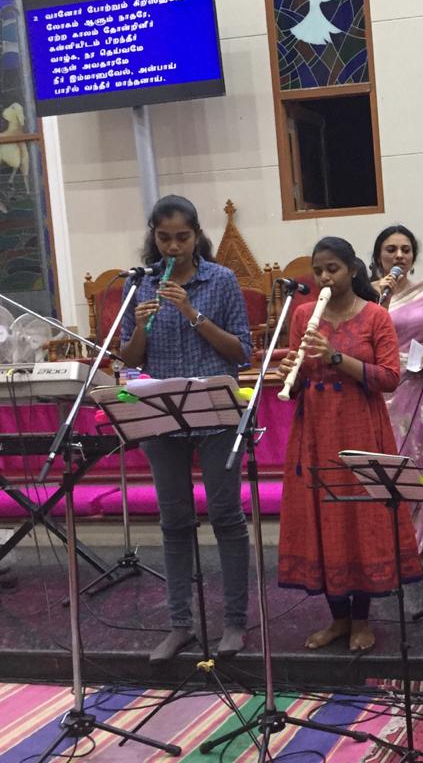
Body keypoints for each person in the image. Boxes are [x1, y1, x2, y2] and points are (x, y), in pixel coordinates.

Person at [120, 195, 252, 664]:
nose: (173, 247)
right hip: (162, 418)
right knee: (174, 522)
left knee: (226, 516)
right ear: (153, 238)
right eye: (164, 238)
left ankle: (235, 621)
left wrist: (193, 314)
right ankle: (180, 625)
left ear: (197, 236)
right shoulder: (140, 284)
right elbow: (130, 359)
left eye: (182, 237)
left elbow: (242, 352)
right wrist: (141, 326)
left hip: (215, 414)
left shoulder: (222, 280)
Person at [276, 237, 421, 652]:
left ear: (352, 270)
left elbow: (390, 377)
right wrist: (292, 373)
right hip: (316, 429)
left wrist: (336, 357)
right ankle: (338, 619)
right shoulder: (303, 313)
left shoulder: (375, 315)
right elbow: (300, 380)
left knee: (361, 518)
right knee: (324, 517)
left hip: (360, 426)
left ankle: (361, 619)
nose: (324, 277)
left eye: (333, 269)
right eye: (318, 270)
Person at [370, 225, 423, 573]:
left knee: (420, 465)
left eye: (405, 249)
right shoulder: (366, 294)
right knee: (384, 468)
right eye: (391, 249)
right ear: (378, 256)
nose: (399, 256)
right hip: (379, 390)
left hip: (420, 388)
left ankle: (422, 550)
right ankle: (388, 548)